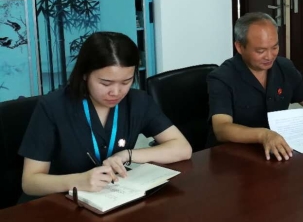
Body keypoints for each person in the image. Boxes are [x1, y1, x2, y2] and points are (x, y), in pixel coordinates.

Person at [19, 32, 192, 197]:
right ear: (85, 74)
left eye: (126, 82)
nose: (116, 92)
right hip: (60, 203)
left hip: (112, 198)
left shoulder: (138, 102)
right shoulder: (53, 107)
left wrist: (127, 155)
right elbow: (30, 182)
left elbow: (182, 149)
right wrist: (78, 181)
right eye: (105, 83)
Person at [208, 12, 303, 161]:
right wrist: (263, 135)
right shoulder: (222, 77)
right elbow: (221, 128)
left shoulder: (285, 67)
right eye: (260, 51)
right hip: (233, 157)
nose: (269, 56)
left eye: (274, 47)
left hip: (276, 151)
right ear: (240, 47)